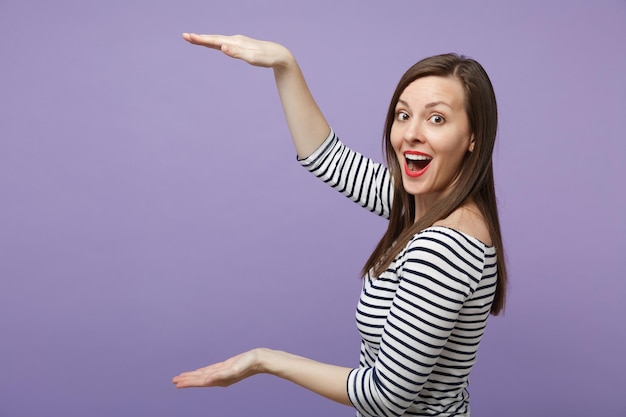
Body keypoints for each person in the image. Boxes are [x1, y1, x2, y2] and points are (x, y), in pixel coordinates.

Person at [173, 33, 508, 417]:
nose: (411, 132)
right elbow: (326, 157)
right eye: (403, 114)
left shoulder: (445, 245)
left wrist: (264, 360)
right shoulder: (424, 206)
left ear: (473, 138)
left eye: (437, 118)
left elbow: (386, 396)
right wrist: (285, 64)